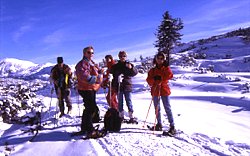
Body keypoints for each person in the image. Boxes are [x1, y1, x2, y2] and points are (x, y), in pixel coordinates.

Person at [74, 46, 103, 136]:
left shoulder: (92, 63)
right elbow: (84, 76)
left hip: (91, 88)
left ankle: (85, 127)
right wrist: (96, 78)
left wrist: (101, 73)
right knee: (91, 108)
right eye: (89, 52)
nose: (91, 54)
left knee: (89, 108)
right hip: (85, 88)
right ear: (84, 53)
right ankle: (89, 129)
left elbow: (98, 73)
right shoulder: (82, 63)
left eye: (92, 53)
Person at [146, 52, 176, 135]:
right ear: (156, 59)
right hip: (155, 90)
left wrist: (161, 78)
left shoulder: (166, 68)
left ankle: (172, 126)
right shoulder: (152, 70)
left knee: (167, 108)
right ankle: (159, 124)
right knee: (157, 108)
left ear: (164, 59)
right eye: (158, 58)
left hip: (164, 90)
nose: (159, 60)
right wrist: (154, 79)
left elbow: (170, 75)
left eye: (161, 58)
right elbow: (148, 80)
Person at [110, 51, 138, 123]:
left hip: (127, 86)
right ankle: (121, 116)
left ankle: (131, 116)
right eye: (121, 56)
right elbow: (111, 72)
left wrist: (131, 68)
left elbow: (135, 72)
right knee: (120, 102)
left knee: (128, 101)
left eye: (124, 56)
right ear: (119, 57)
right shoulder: (116, 66)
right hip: (119, 86)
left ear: (126, 57)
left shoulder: (129, 64)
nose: (122, 57)